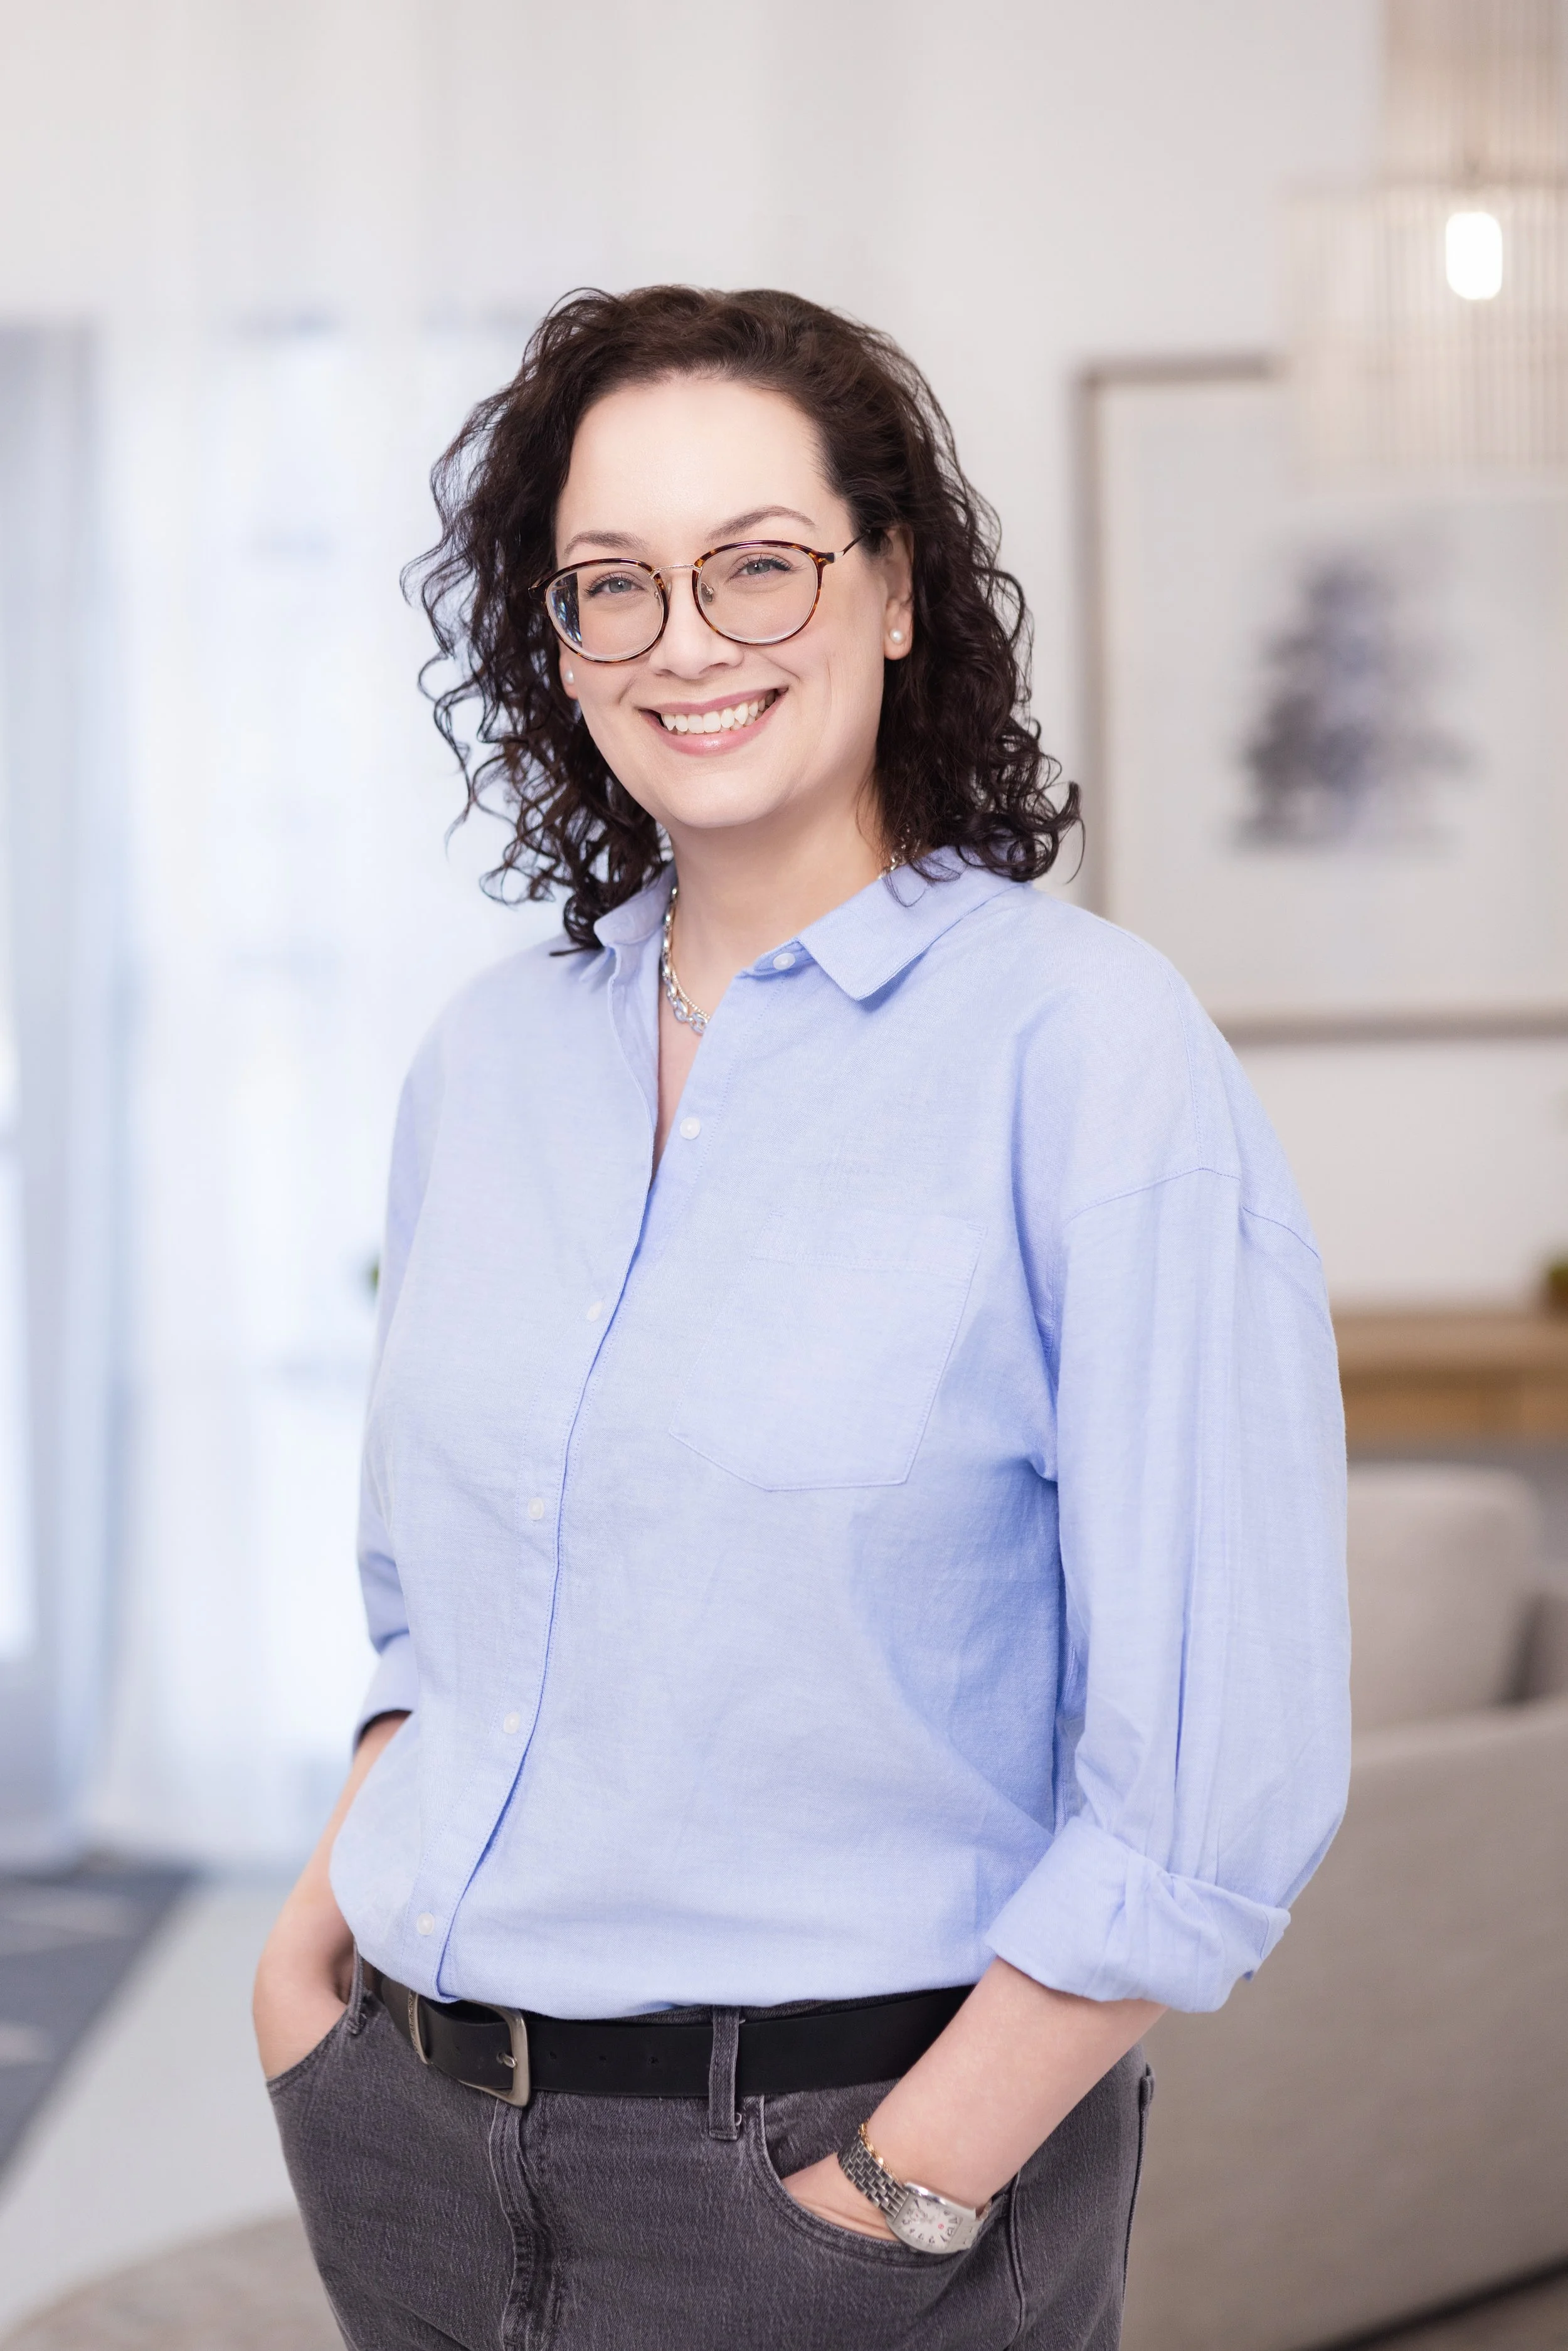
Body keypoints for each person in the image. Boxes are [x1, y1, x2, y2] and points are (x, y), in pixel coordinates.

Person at [253, 285, 1350, 2351]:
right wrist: (301, 1981)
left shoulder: (1084, 1051)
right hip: (399, 2136)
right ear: (551, 634)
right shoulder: (483, 1063)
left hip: (836, 2180)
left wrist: (900, 2185)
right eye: (614, 582)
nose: (687, 639)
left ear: (898, 585)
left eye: (759, 562)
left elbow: (1214, 1776)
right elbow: (430, 1619)